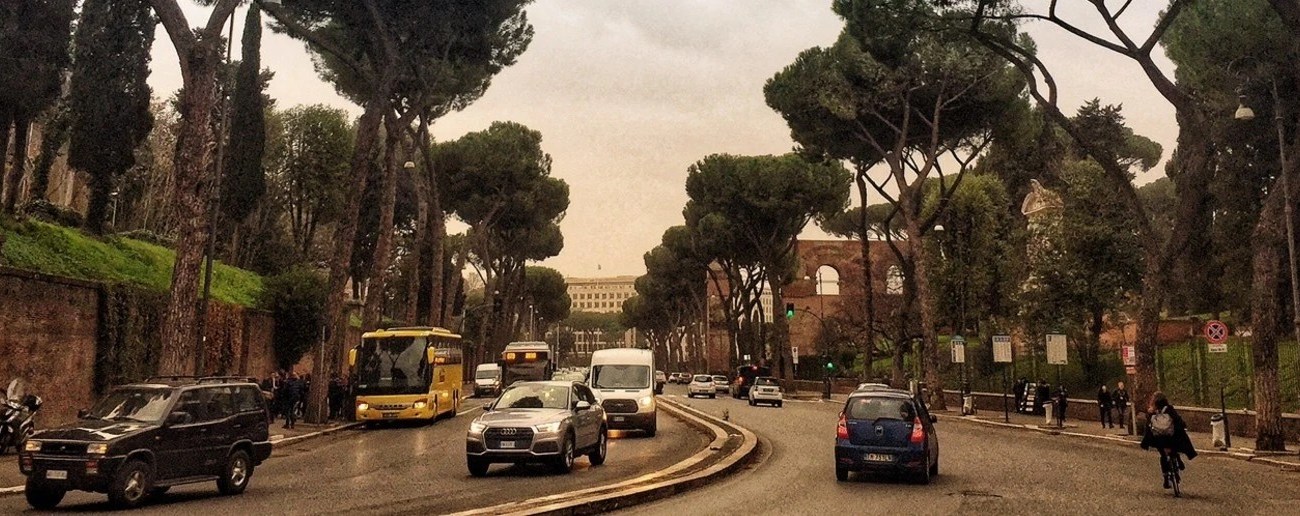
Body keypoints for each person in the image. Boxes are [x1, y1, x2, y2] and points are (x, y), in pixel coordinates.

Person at [1140, 392, 1198, 490]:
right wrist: (1183, 426)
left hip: (1159, 439)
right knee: (1175, 445)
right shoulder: (1169, 409)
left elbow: (1149, 425)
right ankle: (1178, 460)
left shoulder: (1153, 412)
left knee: (1163, 455)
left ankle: (1166, 478)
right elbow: (1177, 420)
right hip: (1170, 438)